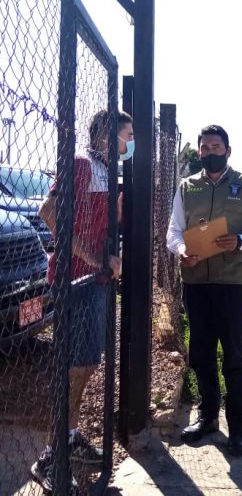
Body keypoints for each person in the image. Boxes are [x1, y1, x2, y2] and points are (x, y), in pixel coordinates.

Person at [31, 109, 135, 492]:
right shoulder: (81, 164)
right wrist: (93, 257)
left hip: (94, 280)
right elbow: (49, 212)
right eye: (128, 136)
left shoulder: (104, 171)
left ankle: (69, 436)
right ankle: (50, 457)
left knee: (86, 364)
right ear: (107, 136)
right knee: (73, 368)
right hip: (73, 281)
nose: (131, 144)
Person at [166, 124, 242, 456]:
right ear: (199, 151)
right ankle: (208, 417)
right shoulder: (187, 187)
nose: (209, 152)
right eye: (205, 148)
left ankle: (238, 429)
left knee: (235, 357)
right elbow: (173, 231)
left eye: (215, 147)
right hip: (196, 284)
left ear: (228, 150)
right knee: (201, 355)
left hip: (233, 285)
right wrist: (182, 250)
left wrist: (240, 241)